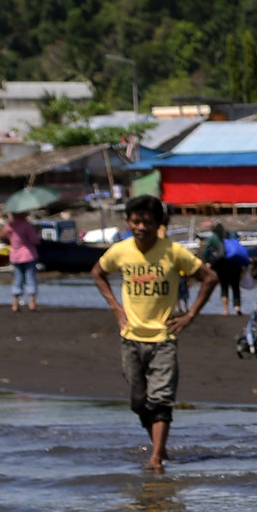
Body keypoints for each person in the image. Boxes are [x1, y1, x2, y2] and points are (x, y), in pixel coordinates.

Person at [93, 193, 210, 472]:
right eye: (136, 222)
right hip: (130, 338)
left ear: (158, 224)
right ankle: (161, 449)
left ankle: (156, 457)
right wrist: (116, 308)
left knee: (161, 400)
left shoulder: (174, 252)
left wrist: (190, 315)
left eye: (147, 222)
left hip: (163, 340)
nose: (141, 227)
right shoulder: (121, 251)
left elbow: (209, 278)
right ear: (128, 222)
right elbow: (98, 273)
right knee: (138, 402)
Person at [206, 222, 248, 314]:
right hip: (234, 265)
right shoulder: (232, 234)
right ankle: (237, 307)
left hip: (222, 265)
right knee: (235, 286)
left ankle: (226, 310)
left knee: (224, 287)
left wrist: (206, 261)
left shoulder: (213, 237)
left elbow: (206, 249)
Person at [4, 208, 41, 309]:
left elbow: (7, 238)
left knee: (18, 279)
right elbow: (34, 240)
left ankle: (15, 304)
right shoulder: (26, 225)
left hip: (15, 255)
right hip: (28, 254)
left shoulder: (9, 226)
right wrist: (37, 232)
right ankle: (32, 303)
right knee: (30, 278)